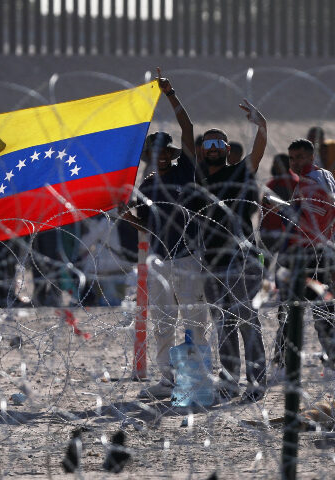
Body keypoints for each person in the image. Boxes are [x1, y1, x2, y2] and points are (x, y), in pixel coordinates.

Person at [120, 69, 209, 399]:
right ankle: (167, 380)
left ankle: (197, 379)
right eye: (153, 153)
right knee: (162, 324)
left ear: (170, 154)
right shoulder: (146, 185)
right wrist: (124, 215)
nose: (159, 157)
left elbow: (187, 129)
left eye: (163, 151)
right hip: (160, 260)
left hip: (187, 256)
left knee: (195, 321)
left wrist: (170, 95)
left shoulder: (186, 170)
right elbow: (145, 225)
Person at [191, 99, 268, 402]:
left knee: (247, 320)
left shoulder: (237, 173)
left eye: (218, 143)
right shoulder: (196, 179)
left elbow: (257, 154)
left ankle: (257, 382)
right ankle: (230, 381)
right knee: (223, 324)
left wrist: (262, 126)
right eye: (208, 143)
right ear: (202, 149)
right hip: (212, 260)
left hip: (242, 259)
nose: (213, 147)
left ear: (226, 149)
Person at [273, 139, 335, 379]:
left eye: (299, 157)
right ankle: (329, 362)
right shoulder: (324, 176)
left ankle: (282, 365)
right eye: (291, 158)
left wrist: (284, 210)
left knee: (290, 312)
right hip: (320, 253)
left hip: (307, 255)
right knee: (322, 311)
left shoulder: (313, 181)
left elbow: (313, 218)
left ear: (311, 157)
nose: (295, 162)